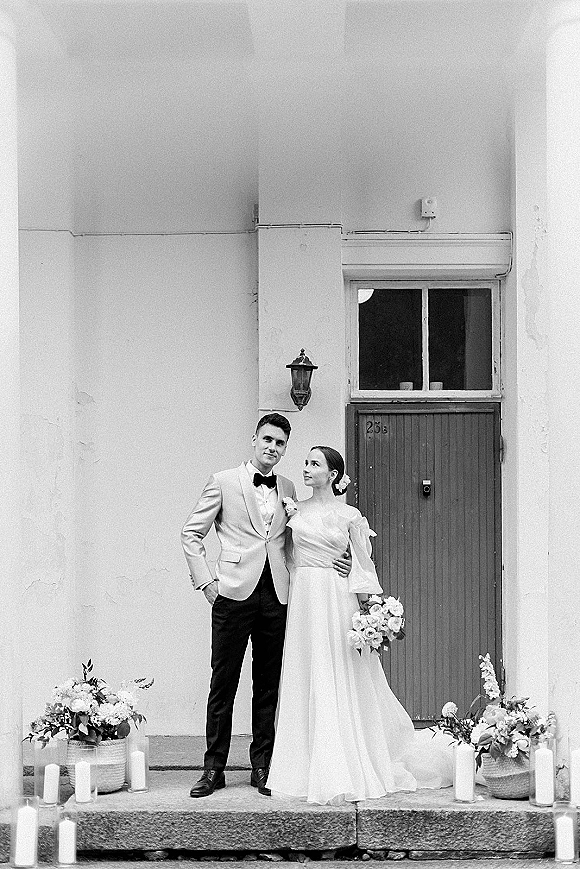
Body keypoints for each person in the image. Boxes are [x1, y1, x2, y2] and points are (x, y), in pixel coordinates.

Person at [266, 445, 453, 805]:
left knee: (338, 670)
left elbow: (366, 569)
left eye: (314, 464)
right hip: (305, 597)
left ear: (332, 475)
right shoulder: (293, 509)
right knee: (307, 671)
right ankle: (300, 769)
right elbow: (283, 553)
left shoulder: (350, 515)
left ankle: (345, 764)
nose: (306, 468)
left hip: (335, 598)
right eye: (305, 462)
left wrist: (353, 572)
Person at [181, 416, 351, 798]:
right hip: (233, 593)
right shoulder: (223, 481)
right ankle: (213, 769)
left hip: (278, 595)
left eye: (280, 444)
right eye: (267, 440)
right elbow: (191, 532)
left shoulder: (290, 488)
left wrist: (342, 561)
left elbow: (302, 542)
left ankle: (262, 766)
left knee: (269, 685)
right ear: (253, 440)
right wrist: (206, 581)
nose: (273, 448)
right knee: (223, 683)